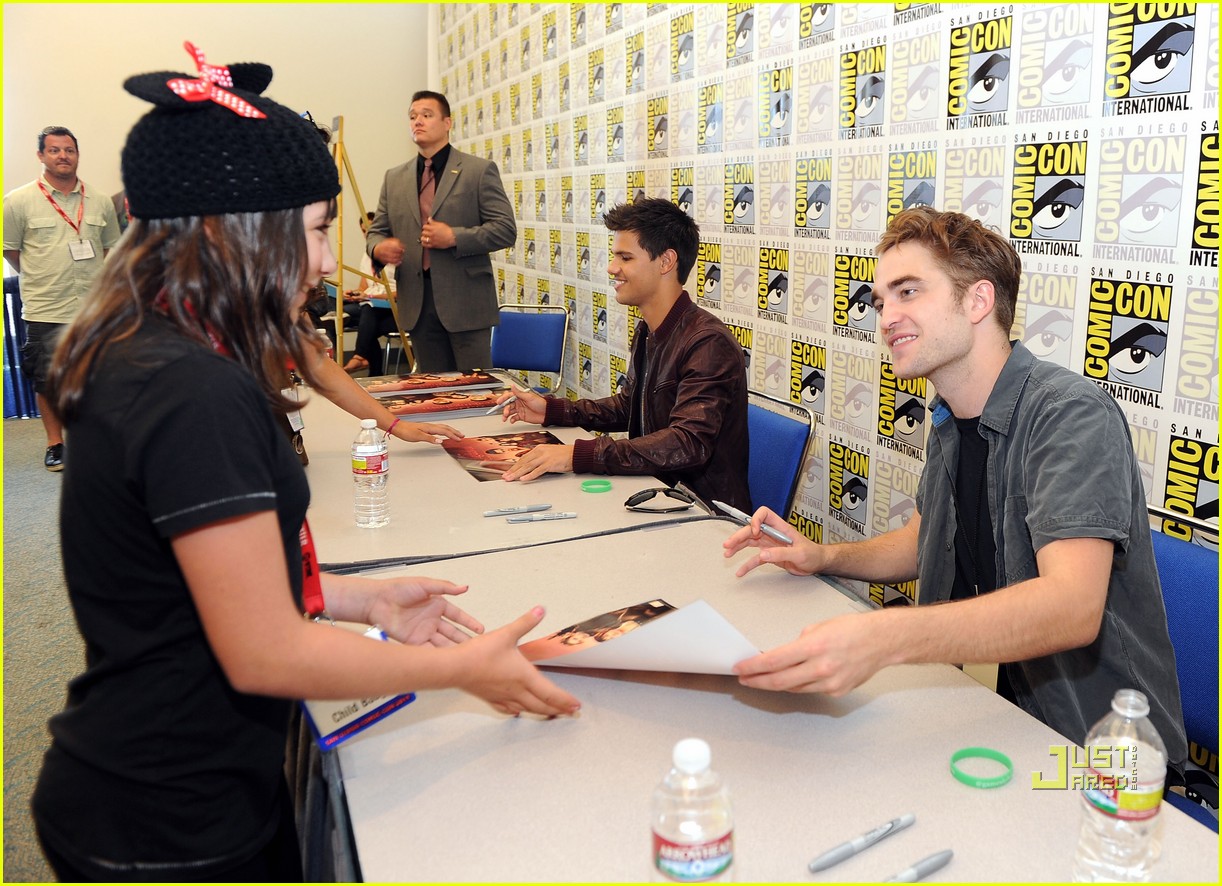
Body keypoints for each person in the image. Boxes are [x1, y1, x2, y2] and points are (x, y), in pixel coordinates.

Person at [32, 44, 579, 883]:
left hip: (188, 782)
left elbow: (205, 586)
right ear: (236, 231)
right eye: (318, 230)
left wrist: (359, 598)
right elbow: (264, 651)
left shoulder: (161, 348)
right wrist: (459, 669)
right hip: (168, 817)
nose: (328, 262)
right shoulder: (191, 391)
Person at [724, 206, 1187, 770]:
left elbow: (1071, 607)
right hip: (1000, 719)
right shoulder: (949, 417)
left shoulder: (1069, 414)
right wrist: (824, 556)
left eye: (908, 292)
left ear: (977, 301)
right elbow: (921, 542)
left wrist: (883, 637)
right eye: (881, 301)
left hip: (1101, 755)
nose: (886, 316)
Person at [495, 198, 751, 512]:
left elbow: (687, 443)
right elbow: (631, 406)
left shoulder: (708, 342)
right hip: (655, 495)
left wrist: (580, 454)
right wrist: (553, 410)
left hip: (703, 514)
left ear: (666, 262)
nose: (612, 267)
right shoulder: (648, 330)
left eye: (625, 257)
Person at [366, 90, 516, 372]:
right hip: (418, 304)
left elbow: (505, 229)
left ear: (447, 123)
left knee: (475, 388)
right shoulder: (394, 178)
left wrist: (454, 237)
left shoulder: (478, 171)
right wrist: (378, 248)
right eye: (413, 116)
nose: (417, 121)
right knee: (433, 388)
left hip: (466, 302)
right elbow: (377, 232)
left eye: (426, 115)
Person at [4, 125, 122, 471]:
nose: (63, 156)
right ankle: (55, 443)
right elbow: (11, 251)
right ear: (41, 155)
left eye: (69, 150)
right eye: (54, 150)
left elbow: (107, 248)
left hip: (91, 308)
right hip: (46, 306)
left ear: (77, 155)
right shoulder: (18, 201)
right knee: (47, 380)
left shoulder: (99, 201)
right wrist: (41, 274)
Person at [343, 211, 400, 375]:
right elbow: (364, 287)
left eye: (370, 229)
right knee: (339, 312)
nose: (367, 234)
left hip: (393, 309)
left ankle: (360, 357)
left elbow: (403, 293)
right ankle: (367, 368)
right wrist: (354, 294)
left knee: (369, 313)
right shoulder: (367, 255)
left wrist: (370, 297)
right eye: (363, 230)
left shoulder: (395, 255)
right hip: (371, 307)